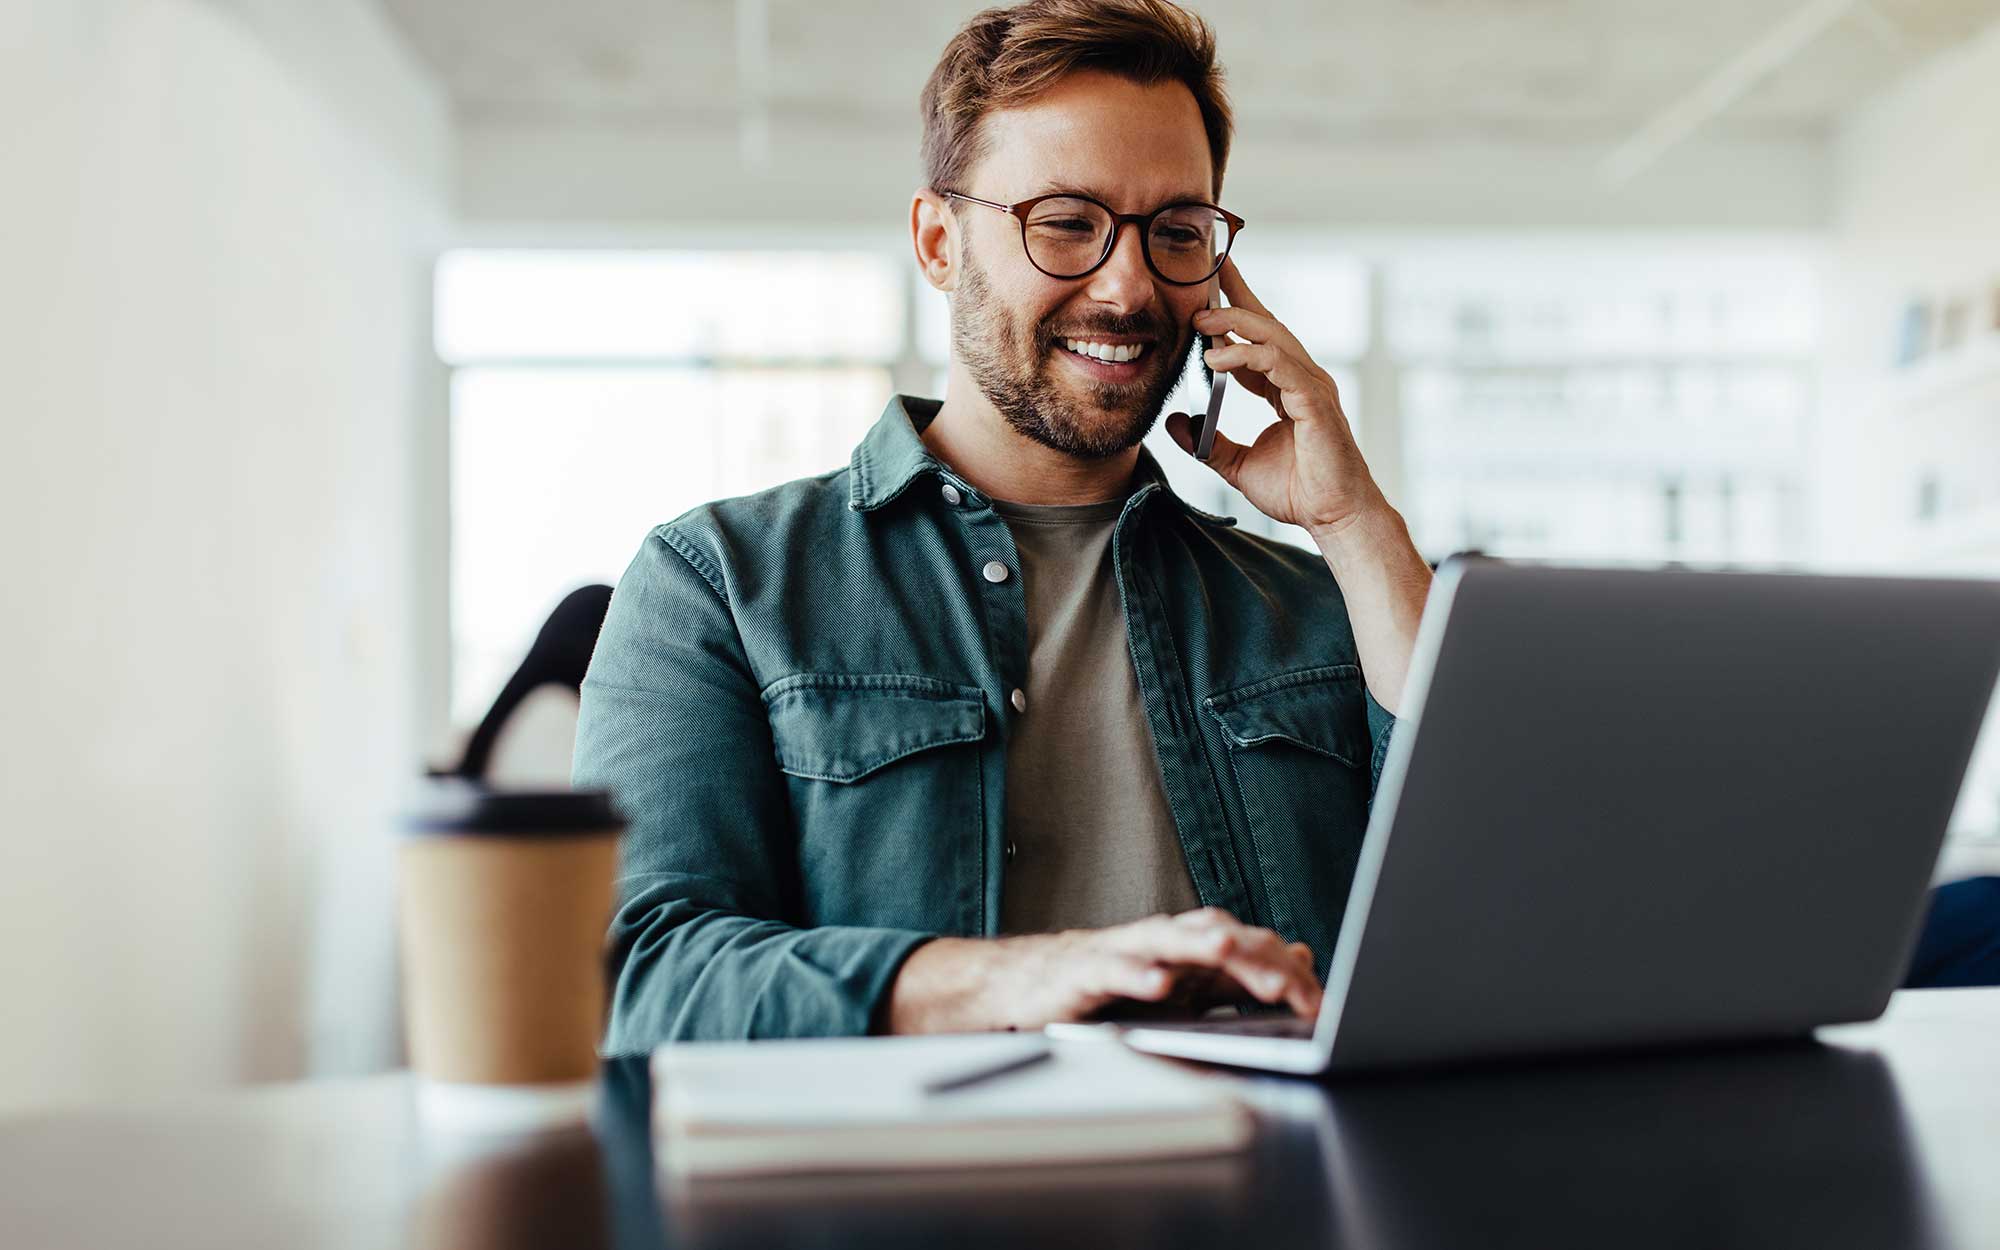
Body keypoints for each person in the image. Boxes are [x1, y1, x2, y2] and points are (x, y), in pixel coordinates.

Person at [573, 0, 1433, 1048]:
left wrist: (1352, 523)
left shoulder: (1312, 605)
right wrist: (1024, 976)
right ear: (939, 242)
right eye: (1065, 222)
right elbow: (638, 978)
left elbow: (1492, 906)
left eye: (1174, 233)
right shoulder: (717, 582)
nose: (1126, 286)